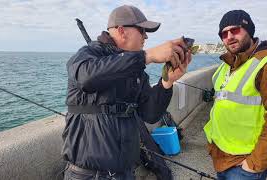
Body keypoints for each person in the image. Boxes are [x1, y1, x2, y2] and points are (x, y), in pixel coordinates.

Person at [62, 5, 192, 180]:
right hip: (87, 175)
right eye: (142, 30)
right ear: (122, 31)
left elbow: (150, 113)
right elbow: (86, 77)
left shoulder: (136, 70)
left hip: (125, 172)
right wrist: (147, 56)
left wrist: (167, 82)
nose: (146, 36)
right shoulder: (89, 54)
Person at [204, 10, 267, 180]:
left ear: (249, 30)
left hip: (244, 164)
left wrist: (254, 164)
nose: (229, 36)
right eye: (224, 33)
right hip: (220, 155)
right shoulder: (226, 65)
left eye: (235, 30)